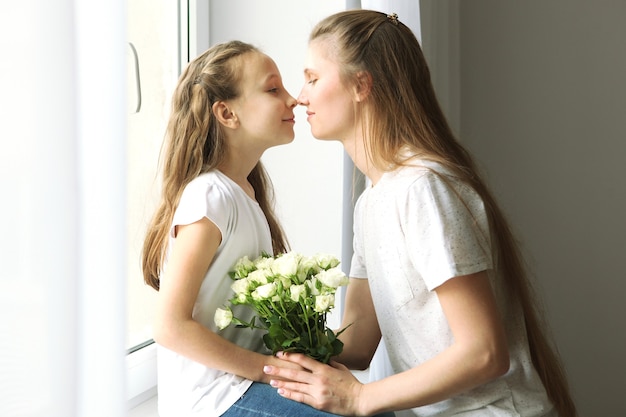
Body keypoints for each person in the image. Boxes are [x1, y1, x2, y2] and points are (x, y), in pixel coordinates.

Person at [263, 10, 578, 417]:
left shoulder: (423, 188)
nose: (300, 95)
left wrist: (360, 398)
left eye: (313, 78)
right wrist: (274, 336)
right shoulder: (371, 202)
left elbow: (485, 353)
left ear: (361, 85)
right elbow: (356, 347)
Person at [141, 40, 354, 417]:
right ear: (226, 113)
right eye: (273, 89)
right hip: (214, 400)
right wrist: (270, 371)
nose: (293, 100)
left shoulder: (246, 193)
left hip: (244, 386)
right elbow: (169, 325)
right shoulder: (209, 195)